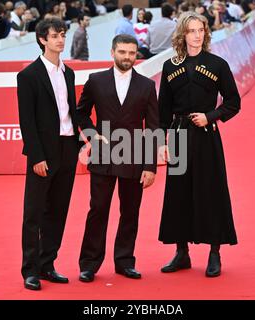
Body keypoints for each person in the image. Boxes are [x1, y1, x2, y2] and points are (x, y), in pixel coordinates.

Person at [158, 11, 240, 277]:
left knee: (211, 192)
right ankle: (181, 252)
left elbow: (233, 103)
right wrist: (161, 142)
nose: (196, 35)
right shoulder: (170, 66)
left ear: (205, 33)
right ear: (182, 34)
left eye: (200, 30)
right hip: (179, 135)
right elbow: (163, 111)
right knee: (178, 194)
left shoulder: (218, 64)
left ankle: (215, 253)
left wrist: (210, 116)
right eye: (191, 31)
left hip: (207, 136)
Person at [76, 34, 159, 283]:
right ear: (112, 52)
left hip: (135, 156)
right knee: (98, 209)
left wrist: (150, 166)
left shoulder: (146, 86)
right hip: (103, 155)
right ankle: (89, 264)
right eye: (122, 52)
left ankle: (124, 262)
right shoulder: (96, 81)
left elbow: (153, 128)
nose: (127, 57)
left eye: (132, 53)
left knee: (130, 211)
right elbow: (80, 113)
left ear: (137, 55)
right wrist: (92, 135)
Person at [17, 18, 81, 291]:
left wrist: (80, 140)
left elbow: (71, 111)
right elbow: (27, 122)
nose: (60, 40)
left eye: (63, 35)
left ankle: (47, 263)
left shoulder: (69, 73)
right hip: (43, 153)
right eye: (55, 35)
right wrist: (36, 157)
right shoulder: (28, 76)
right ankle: (30, 270)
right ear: (43, 39)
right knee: (33, 213)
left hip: (68, 148)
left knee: (58, 211)